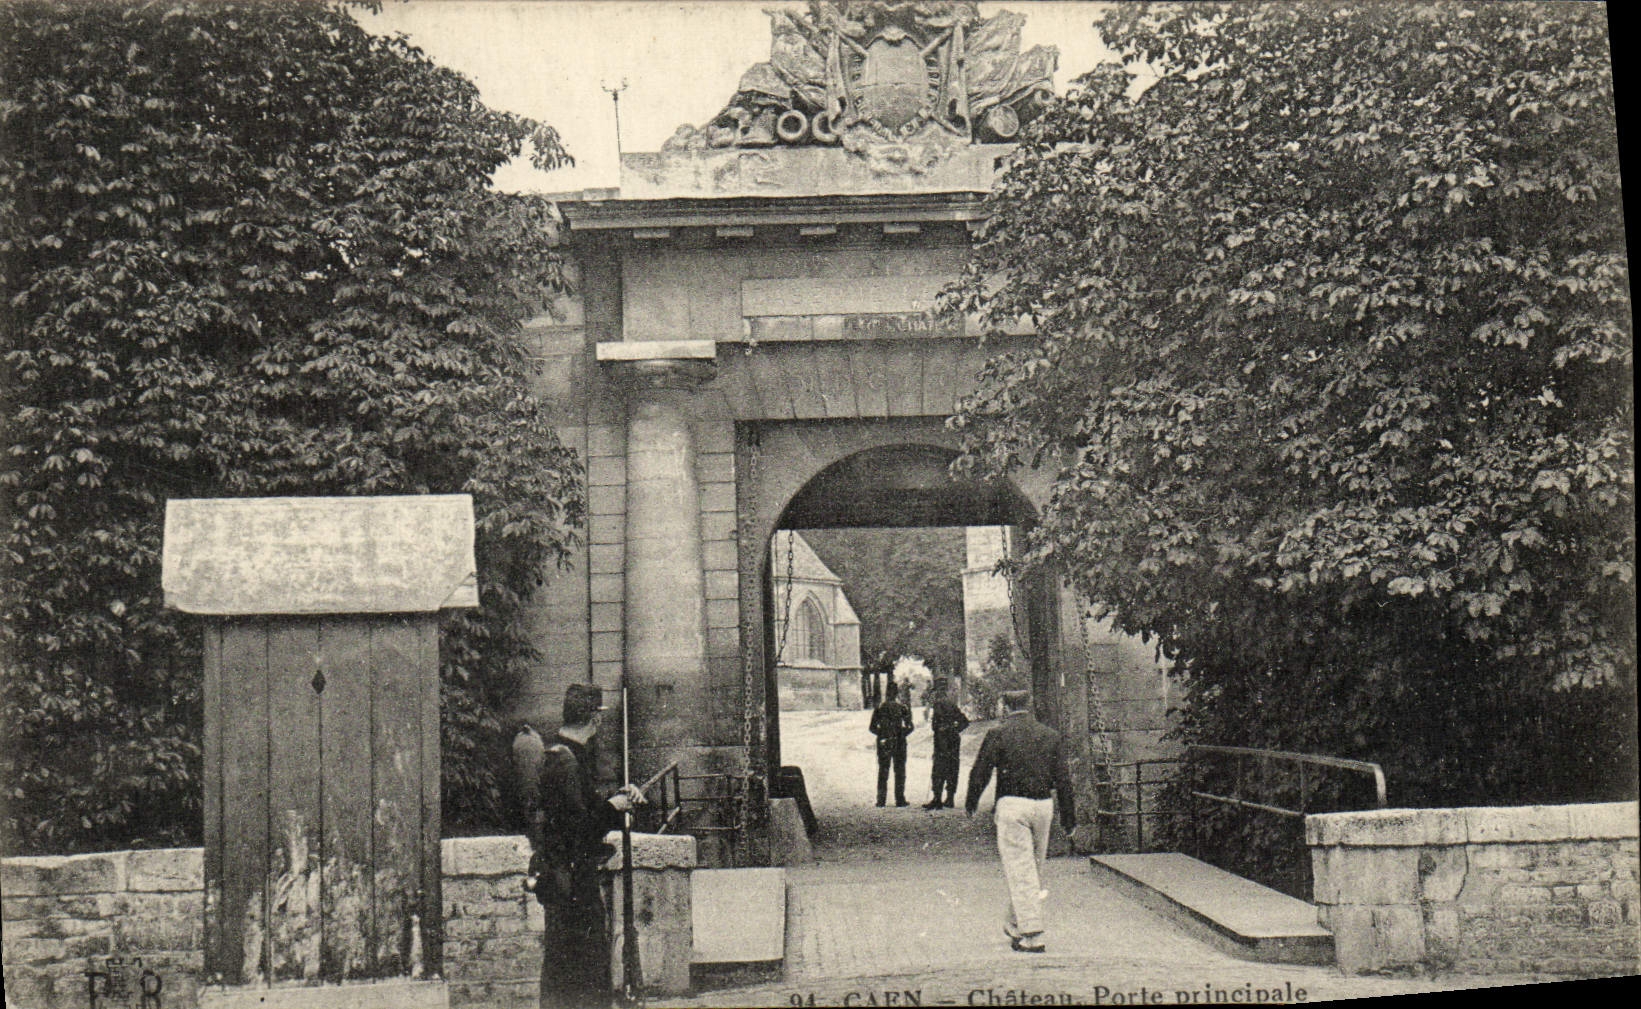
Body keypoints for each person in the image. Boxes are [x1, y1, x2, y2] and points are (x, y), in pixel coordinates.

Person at [523, 683, 645, 1009]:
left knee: (566, 968)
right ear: (596, 719)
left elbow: (581, 812)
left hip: (565, 880)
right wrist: (614, 808)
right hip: (574, 882)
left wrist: (617, 799)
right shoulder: (567, 763)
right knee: (585, 970)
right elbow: (581, 828)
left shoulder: (560, 756)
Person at [964, 690, 1077, 953]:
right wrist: (1069, 818)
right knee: (1033, 869)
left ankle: (1033, 935)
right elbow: (1063, 779)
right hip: (1043, 806)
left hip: (1012, 806)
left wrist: (972, 802)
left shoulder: (997, 734)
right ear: (1030, 705)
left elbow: (980, 772)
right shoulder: (1050, 735)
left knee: (1020, 869)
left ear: (1005, 707)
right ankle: (1016, 923)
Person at [923, 677, 970, 809]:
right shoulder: (951, 704)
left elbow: (935, 726)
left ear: (938, 690)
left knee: (938, 769)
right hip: (953, 741)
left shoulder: (938, 704)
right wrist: (954, 730)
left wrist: (946, 730)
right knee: (952, 768)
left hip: (942, 741)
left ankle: (937, 799)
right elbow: (964, 722)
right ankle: (950, 799)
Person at [868, 680, 915, 807]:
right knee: (899, 771)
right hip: (899, 743)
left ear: (886, 693)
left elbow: (872, 727)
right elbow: (910, 727)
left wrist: (883, 734)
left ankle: (881, 800)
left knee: (883, 771)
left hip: (884, 743)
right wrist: (901, 734)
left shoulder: (880, 709)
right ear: (896, 693)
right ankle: (900, 799)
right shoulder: (902, 708)